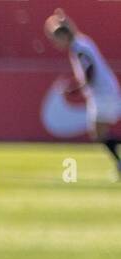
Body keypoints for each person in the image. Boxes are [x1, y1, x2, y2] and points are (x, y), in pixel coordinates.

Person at [45, 8, 121, 177]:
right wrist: (63, 20)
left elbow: (90, 71)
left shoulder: (78, 48)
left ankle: (119, 162)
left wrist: (75, 90)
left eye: (56, 39)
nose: (56, 44)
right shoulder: (80, 41)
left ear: (64, 36)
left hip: (102, 93)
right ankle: (119, 162)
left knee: (99, 133)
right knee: (99, 132)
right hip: (105, 91)